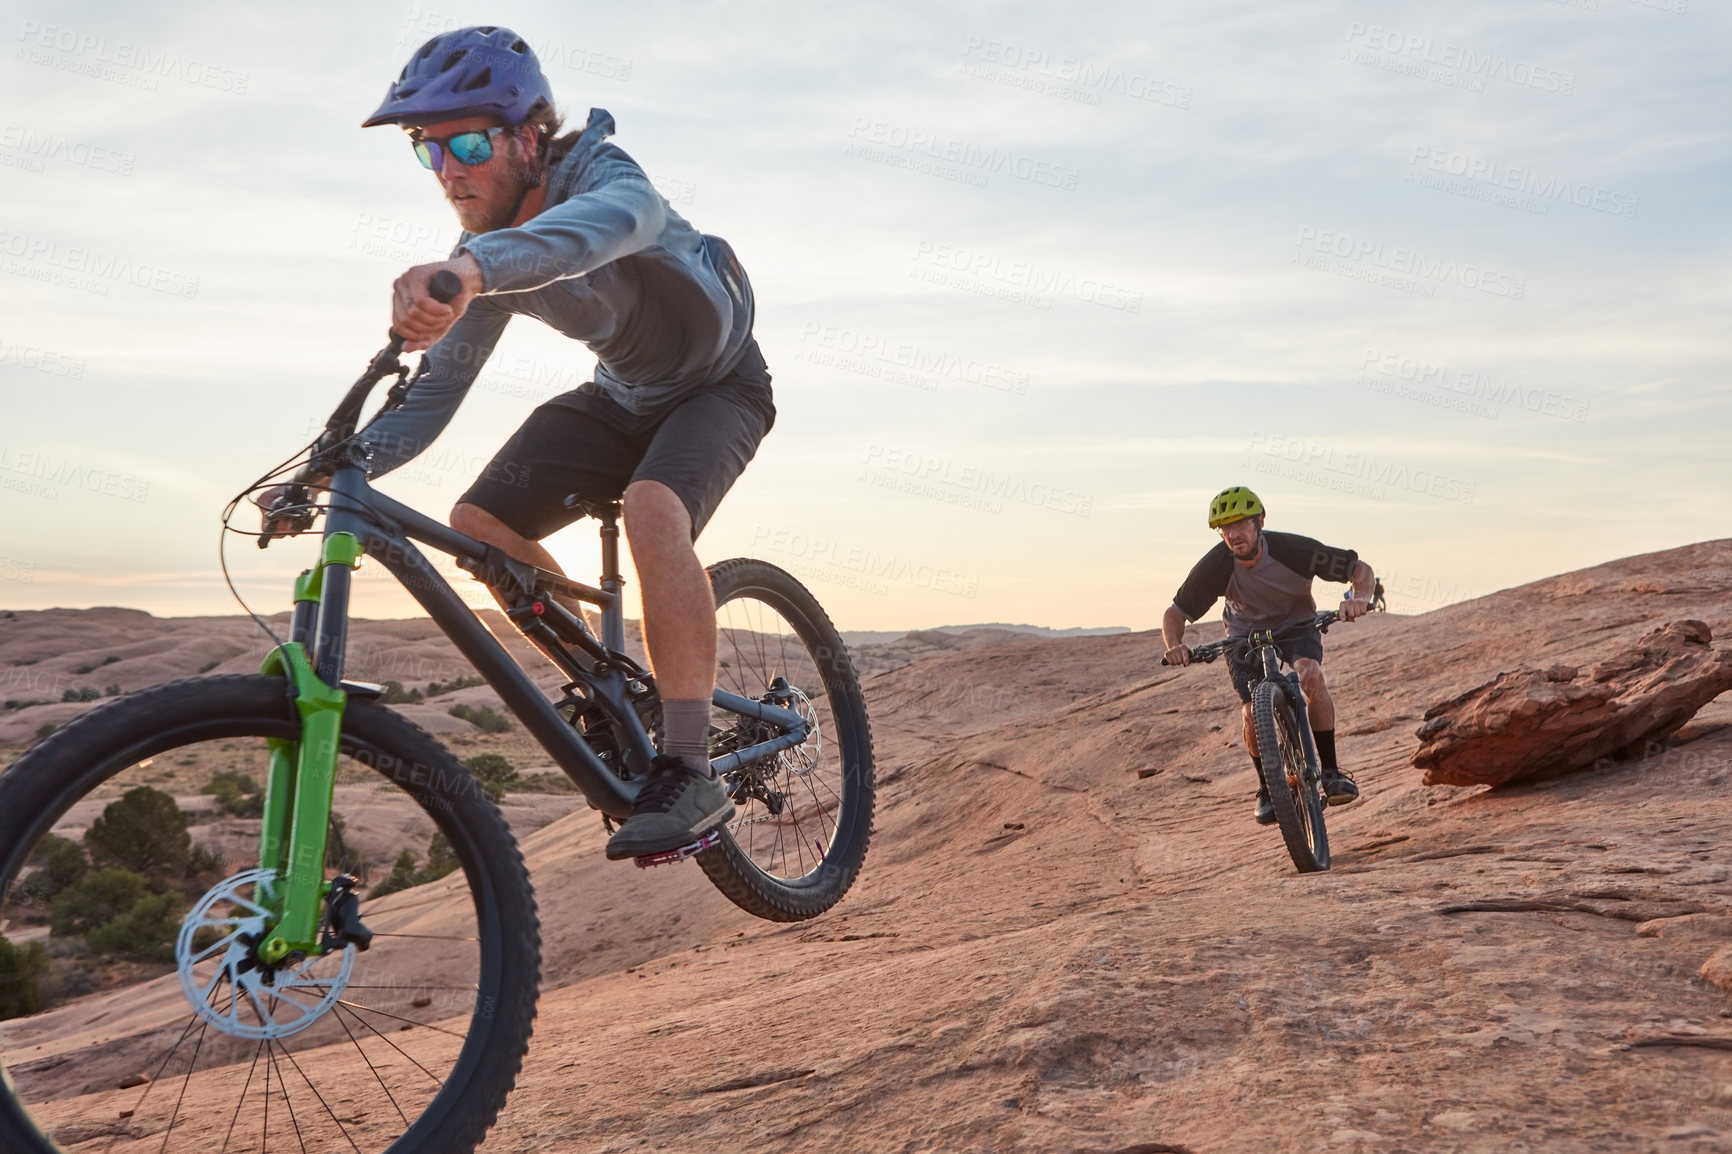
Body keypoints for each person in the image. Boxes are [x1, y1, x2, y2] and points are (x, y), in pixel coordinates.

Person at [354, 26, 769, 860]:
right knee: (477, 520)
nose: (449, 171)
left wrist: (472, 274)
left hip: (719, 386)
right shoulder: (481, 259)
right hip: (620, 397)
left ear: (530, 137)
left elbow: (597, 230)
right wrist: (333, 470)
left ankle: (689, 767)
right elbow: (434, 394)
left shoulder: (610, 182)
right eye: (426, 151)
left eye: (467, 143)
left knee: (656, 510)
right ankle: (610, 684)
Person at [1161, 487, 1376, 825]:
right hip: (1243, 637)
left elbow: (1358, 569)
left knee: (1310, 674)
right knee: (1250, 711)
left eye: (1241, 524)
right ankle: (1267, 788)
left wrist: (1359, 597)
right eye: (1225, 528)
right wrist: (1174, 645)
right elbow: (1175, 614)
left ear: (1260, 521)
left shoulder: (1293, 550)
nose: (1234, 534)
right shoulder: (1218, 563)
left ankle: (1332, 772)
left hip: (1297, 626)